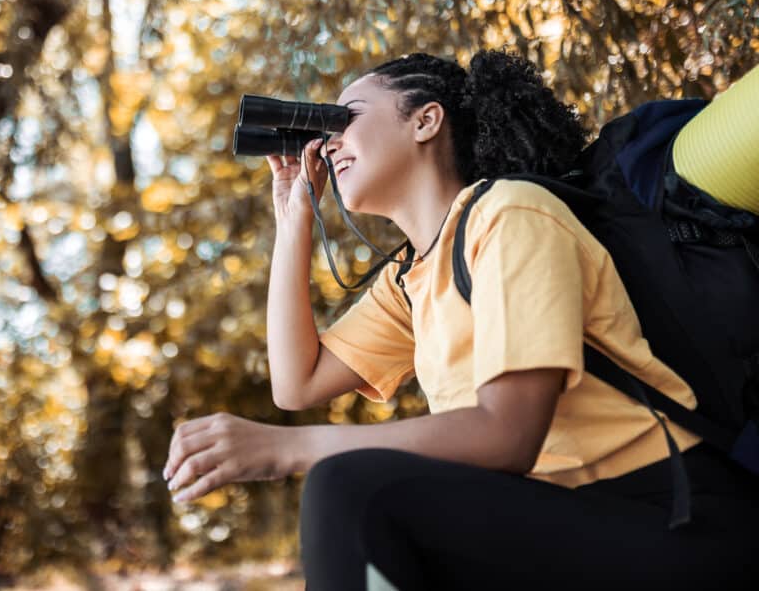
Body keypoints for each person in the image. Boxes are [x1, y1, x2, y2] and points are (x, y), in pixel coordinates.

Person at [161, 50, 759, 590]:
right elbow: (298, 383)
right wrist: (294, 219)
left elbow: (508, 433)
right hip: (569, 521)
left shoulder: (509, 211)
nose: (331, 142)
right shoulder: (411, 280)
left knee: (350, 491)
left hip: (673, 518)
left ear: (426, 120)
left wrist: (286, 451)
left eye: (347, 118)